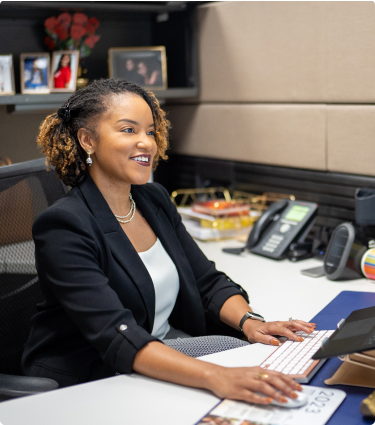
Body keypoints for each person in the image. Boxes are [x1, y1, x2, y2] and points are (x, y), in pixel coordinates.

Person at [22, 78, 315, 405]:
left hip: (153, 350)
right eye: (128, 130)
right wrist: (217, 377)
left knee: (256, 352)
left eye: (149, 131)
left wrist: (250, 322)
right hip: (92, 376)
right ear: (88, 140)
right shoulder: (65, 225)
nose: (146, 142)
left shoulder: (153, 199)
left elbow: (206, 281)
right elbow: (115, 334)